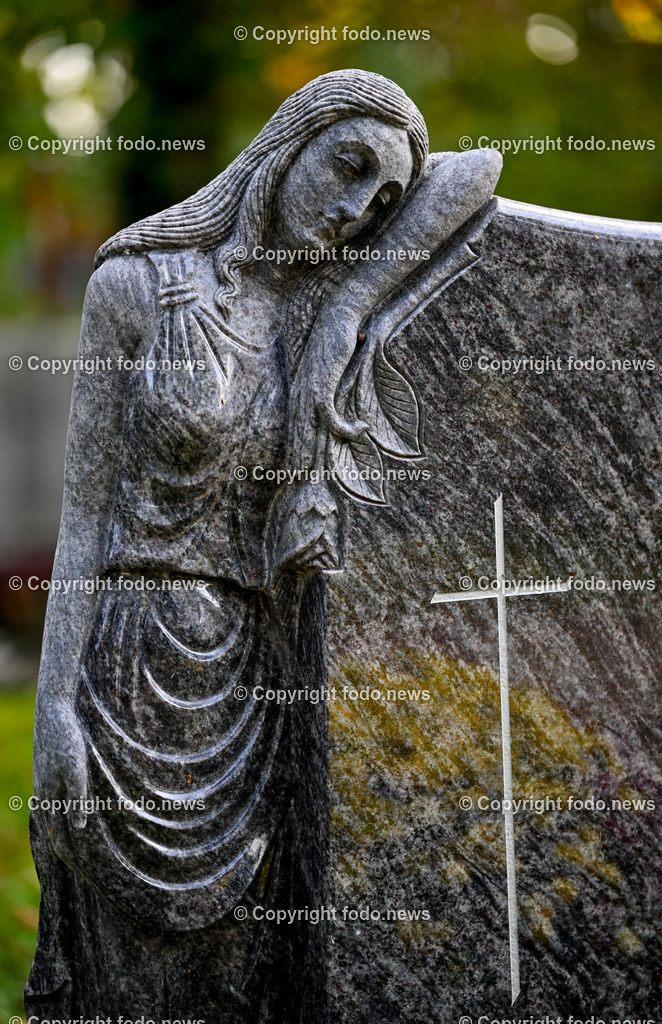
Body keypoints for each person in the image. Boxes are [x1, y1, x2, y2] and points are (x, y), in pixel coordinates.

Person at [25, 69, 500, 1023]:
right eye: (348, 165)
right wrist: (55, 710)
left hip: (256, 679)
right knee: (125, 967)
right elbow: (81, 520)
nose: (358, 208)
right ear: (289, 144)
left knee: (247, 968)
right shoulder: (138, 286)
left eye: (382, 202)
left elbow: (476, 172)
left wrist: (346, 312)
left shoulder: (311, 312)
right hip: (128, 663)